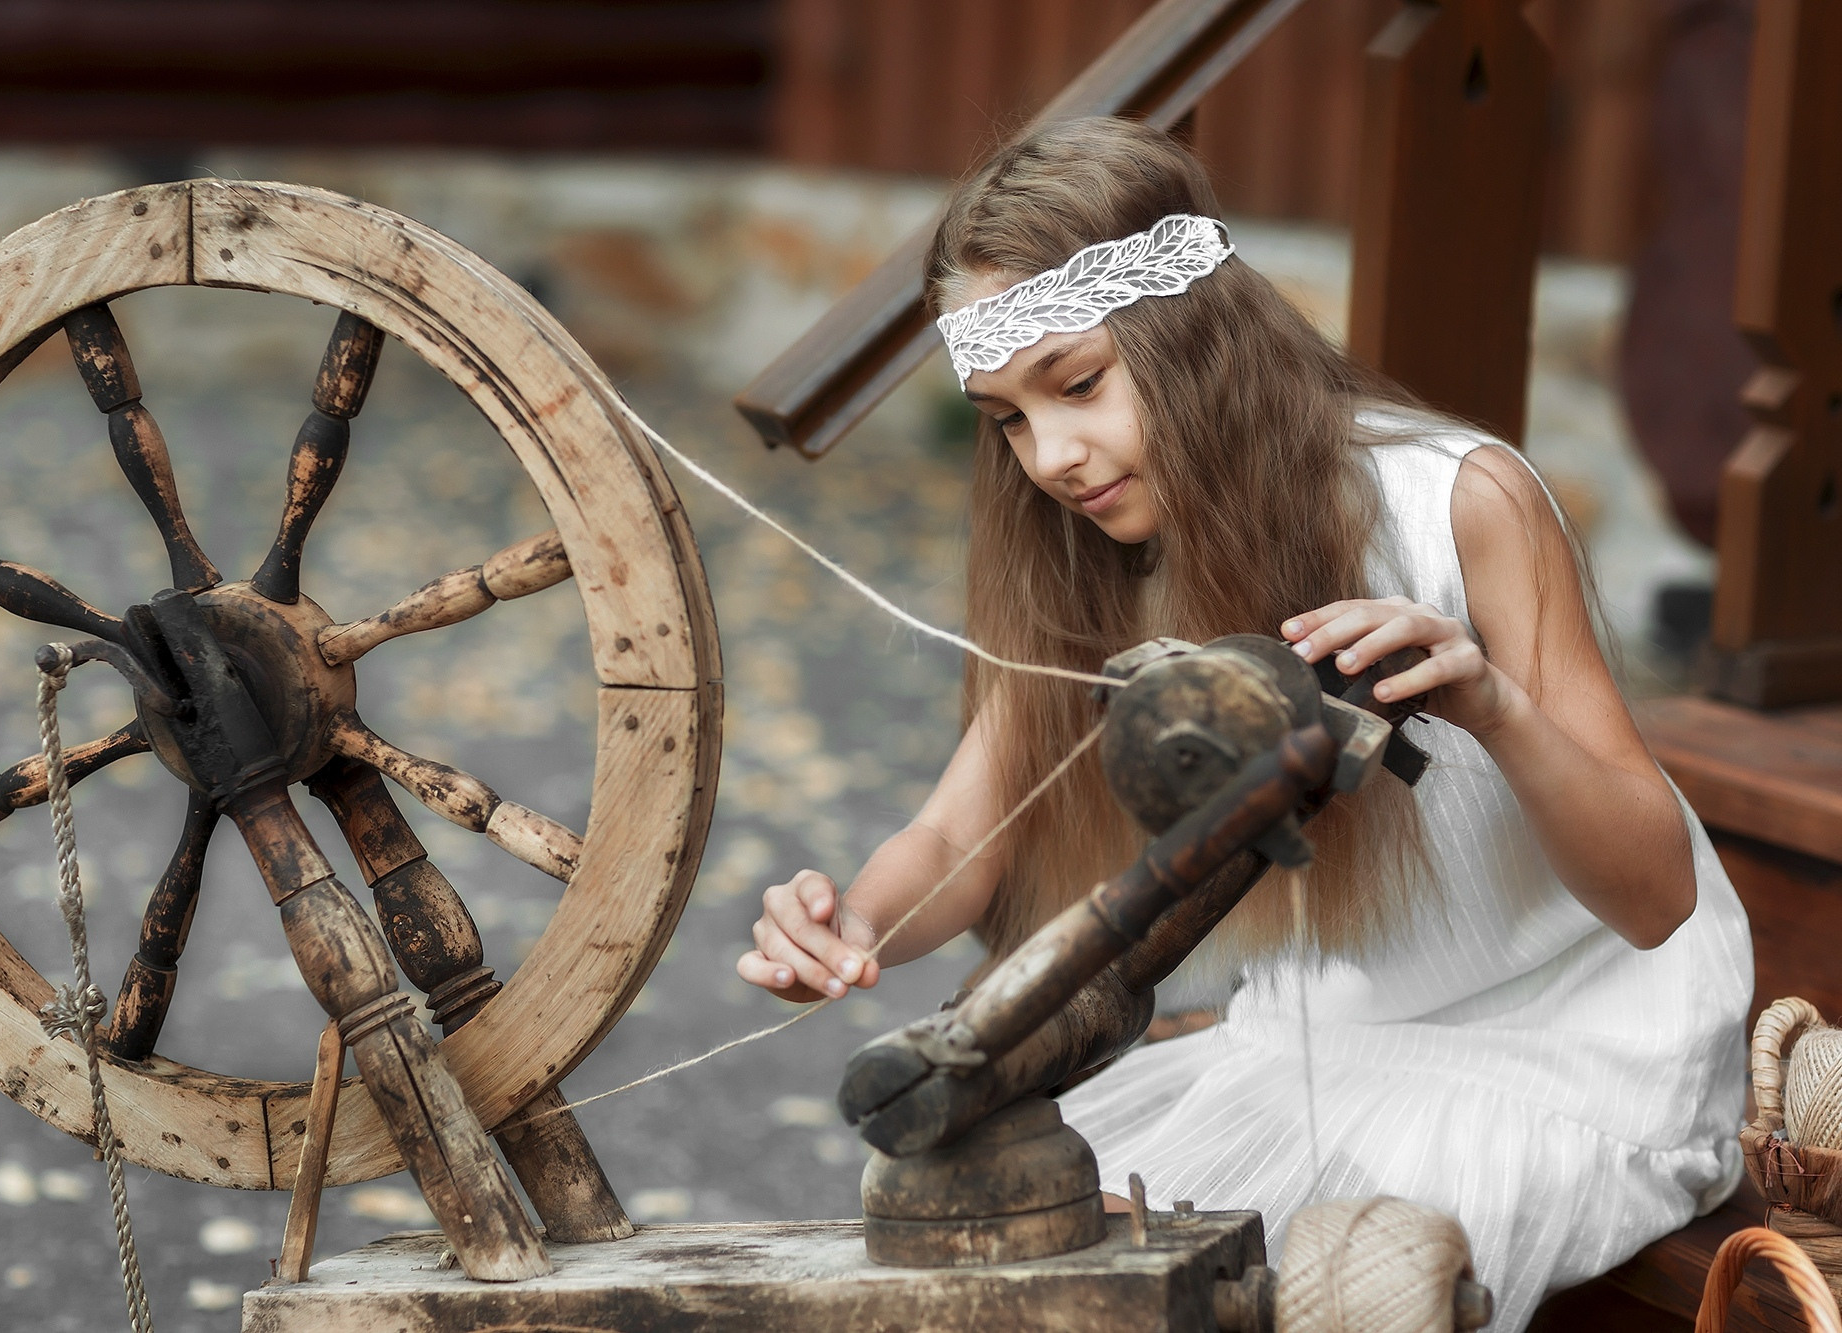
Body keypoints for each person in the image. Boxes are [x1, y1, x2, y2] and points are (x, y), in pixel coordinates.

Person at [734, 117, 1751, 1330]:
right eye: (1005, 417)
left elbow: (1652, 896)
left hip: (1569, 1041)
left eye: (1076, 384)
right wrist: (853, 923)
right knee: (1011, 1266)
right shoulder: (1095, 556)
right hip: (1326, 1042)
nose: (1049, 456)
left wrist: (1492, 706)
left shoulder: (1455, 499)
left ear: (1191, 334)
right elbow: (962, 835)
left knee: (1305, 1290)